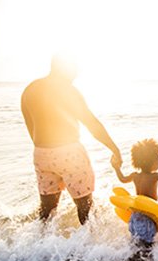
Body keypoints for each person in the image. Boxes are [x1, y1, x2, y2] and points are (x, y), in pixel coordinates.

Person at [21, 54, 122, 225]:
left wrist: (45, 148)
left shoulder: (30, 89)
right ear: (65, 69)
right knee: (85, 207)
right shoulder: (67, 90)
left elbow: (31, 126)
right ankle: (89, 249)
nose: (76, 74)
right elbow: (91, 124)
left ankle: (39, 246)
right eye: (74, 69)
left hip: (41, 154)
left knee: (47, 210)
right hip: (69, 153)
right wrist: (114, 149)